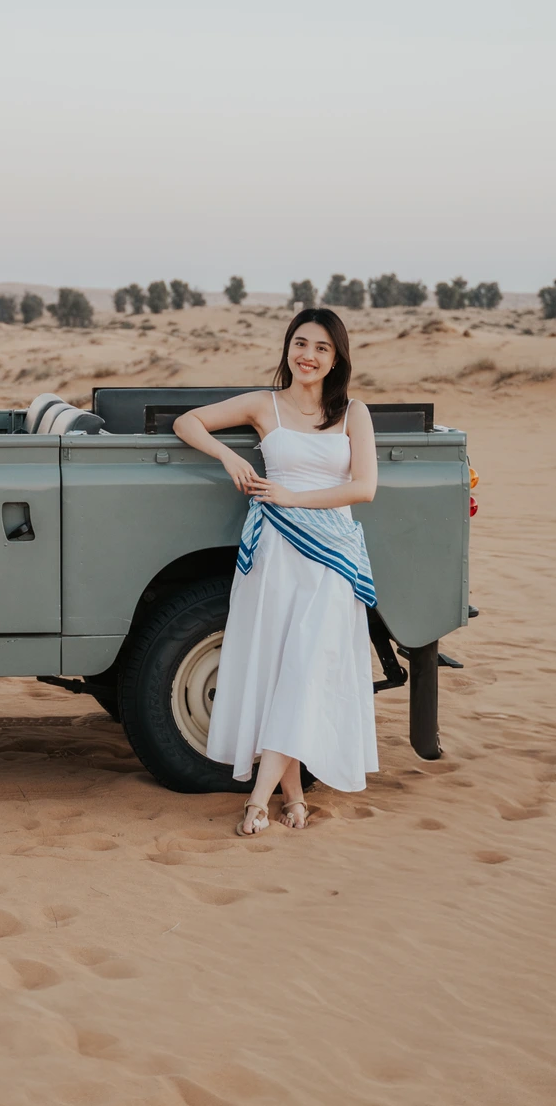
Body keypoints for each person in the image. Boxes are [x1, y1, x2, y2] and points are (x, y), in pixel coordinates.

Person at [173, 308, 380, 836]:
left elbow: (364, 489)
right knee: (279, 672)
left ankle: (257, 800)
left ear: (337, 359)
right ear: (288, 348)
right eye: (300, 343)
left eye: (322, 348)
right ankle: (293, 796)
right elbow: (187, 422)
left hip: (331, 559)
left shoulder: (353, 412)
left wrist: (294, 496)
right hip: (276, 560)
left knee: (308, 669)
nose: (308, 356)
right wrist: (227, 456)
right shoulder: (263, 405)